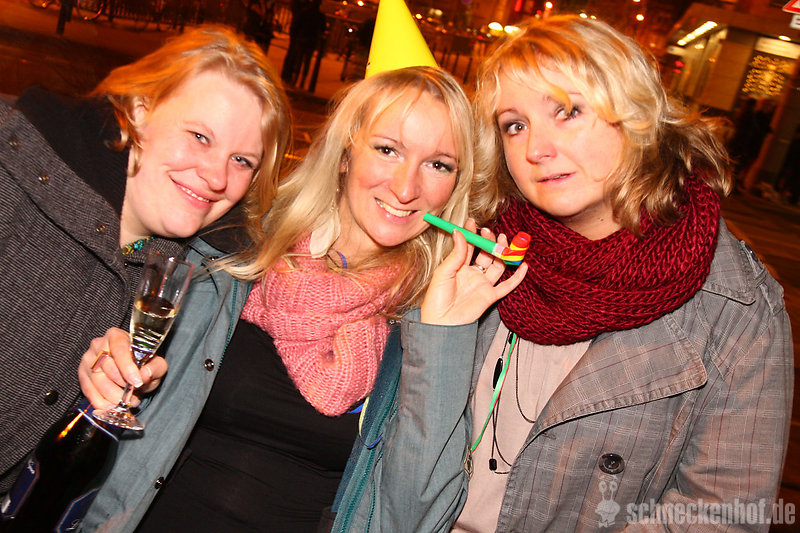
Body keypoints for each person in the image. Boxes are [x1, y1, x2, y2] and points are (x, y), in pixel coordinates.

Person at [329, 16, 793, 532]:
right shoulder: (473, 248)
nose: (536, 149)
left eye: (568, 112)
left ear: (635, 115)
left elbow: (721, 516)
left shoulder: (736, 304)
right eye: (515, 125)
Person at [77, 65, 517, 533]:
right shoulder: (234, 247)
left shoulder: (436, 311)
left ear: (456, 185)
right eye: (387, 150)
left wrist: (443, 337)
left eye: (439, 165)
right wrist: (107, 365)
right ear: (346, 154)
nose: (406, 188)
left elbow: (416, 517)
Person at [0, 24, 290, 494]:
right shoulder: (15, 168)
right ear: (139, 110)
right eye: (200, 136)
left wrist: (93, 393)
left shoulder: (185, 267)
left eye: (242, 161)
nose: (217, 176)